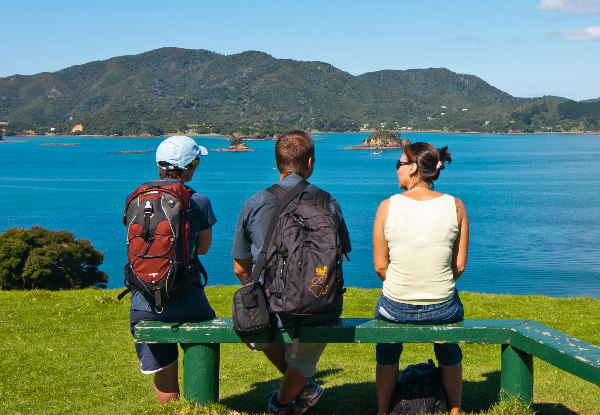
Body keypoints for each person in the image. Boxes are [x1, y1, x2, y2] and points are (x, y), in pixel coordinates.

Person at [232, 130, 351, 415]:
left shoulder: (255, 202)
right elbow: (340, 256)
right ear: (310, 162)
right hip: (321, 304)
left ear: (277, 164)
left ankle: (285, 401)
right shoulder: (329, 202)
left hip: (272, 307)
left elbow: (240, 267)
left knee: (252, 325)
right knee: (305, 353)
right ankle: (291, 395)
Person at [372, 142, 469, 415]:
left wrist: (405, 285)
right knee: (449, 347)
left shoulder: (386, 207)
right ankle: (455, 410)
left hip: (395, 305)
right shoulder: (456, 206)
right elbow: (459, 266)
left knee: (387, 349)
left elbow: (381, 266)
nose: (397, 171)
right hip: (443, 306)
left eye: (399, 164)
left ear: (413, 168)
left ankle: (382, 411)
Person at [127, 136, 217, 405]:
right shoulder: (197, 200)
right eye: (196, 162)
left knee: (164, 373)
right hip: (188, 300)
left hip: (143, 302)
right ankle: (199, 407)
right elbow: (203, 249)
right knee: (205, 338)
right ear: (189, 167)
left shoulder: (137, 197)